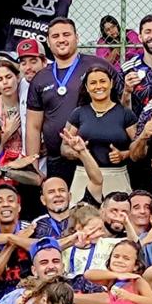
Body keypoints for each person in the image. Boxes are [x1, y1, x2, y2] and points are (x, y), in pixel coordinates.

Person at [25, 17, 118, 186]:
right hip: (57, 161)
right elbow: (33, 125)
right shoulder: (40, 78)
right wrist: (33, 165)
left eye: (66, 34)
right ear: (48, 41)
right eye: (55, 36)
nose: (61, 39)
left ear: (77, 37)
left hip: (96, 158)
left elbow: (121, 105)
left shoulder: (97, 65)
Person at [62, 65, 136, 201]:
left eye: (103, 81)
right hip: (84, 176)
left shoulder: (125, 114)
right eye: (93, 83)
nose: (98, 86)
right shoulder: (78, 113)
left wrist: (124, 155)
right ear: (86, 87)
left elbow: (139, 149)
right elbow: (64, 148)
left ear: (111, 83)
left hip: (116, 177)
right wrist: (80, 153)